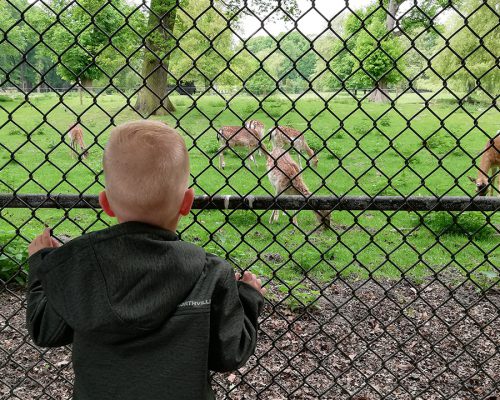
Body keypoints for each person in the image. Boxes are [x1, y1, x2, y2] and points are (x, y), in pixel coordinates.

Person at [26, 120, 266, 400]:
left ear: (105, 203)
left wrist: (42, 264)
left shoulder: (81, 267)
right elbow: (228, 353)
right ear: (187, 202)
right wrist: (249, 298)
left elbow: (45, 330)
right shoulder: (211, 274)